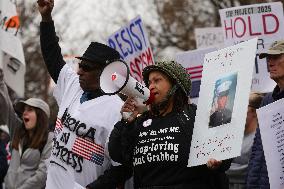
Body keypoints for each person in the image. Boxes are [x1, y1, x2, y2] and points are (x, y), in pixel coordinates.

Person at [37, 0, 131, 188]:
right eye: (80, 65)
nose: (79, 71)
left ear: (105, 73)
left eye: (86, 67)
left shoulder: (117, 110)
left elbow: (122, 168)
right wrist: (46, 18)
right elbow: (52, 55)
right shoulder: (73, 85)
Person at [108, 60, 232, 189]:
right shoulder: (140, 122)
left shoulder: (198, 116)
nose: (150, 87)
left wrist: (218, 162)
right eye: (149, 82)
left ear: (176, 85)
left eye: (157, 80)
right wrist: (125, 122)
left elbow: (223, 154)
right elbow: (118, 155)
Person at [0, 69, 53, 189]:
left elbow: (42, 175)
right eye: (24, 110)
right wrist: (0, 82)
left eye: (30, 110)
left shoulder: (49, 139)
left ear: (40, 116)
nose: (24, 113)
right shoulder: (17, 131)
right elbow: (6, 107)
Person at [247, 40, 284, 189]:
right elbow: (258, 148)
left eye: (276, 57)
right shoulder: (267, 101)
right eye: (268, 58)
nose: (270, 62)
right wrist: (251, 182)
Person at [226, 92, 265, 189]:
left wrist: (222, 168)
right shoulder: (234, 137)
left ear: (254, 112)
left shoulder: (260, 139)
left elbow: (250, 169)